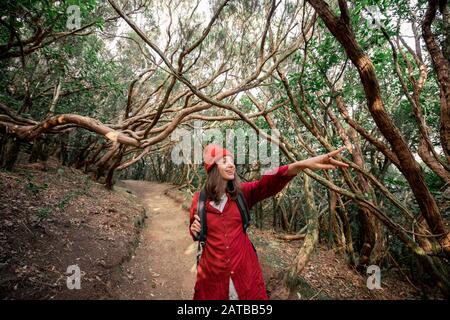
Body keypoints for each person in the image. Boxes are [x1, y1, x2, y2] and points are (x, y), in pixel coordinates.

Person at [189, 144, 349, 300]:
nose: (231, 165)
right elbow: (195, 230)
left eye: (232, 161)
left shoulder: (241, 194)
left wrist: (301, 165)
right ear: (213, 168)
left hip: (245, 272)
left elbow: (267, 183)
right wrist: (194, 230)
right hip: (213, 277)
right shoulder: (199, 200)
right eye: (224, 161)